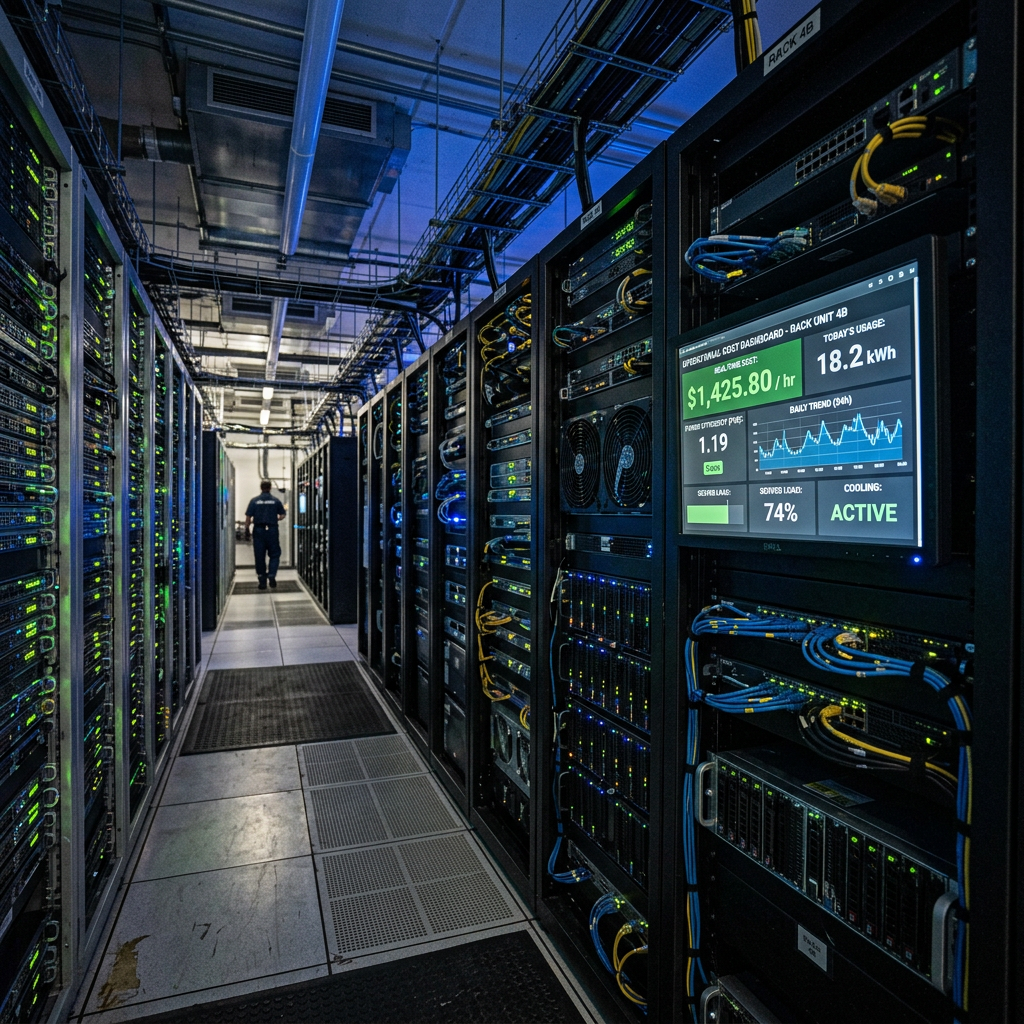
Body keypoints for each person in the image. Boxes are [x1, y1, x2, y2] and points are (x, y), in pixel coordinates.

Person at [244, 481, 286, 590]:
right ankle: (272, 575)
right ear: (270, 488)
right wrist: (274, 518)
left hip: (258, 530)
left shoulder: (254, 501)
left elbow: (248, 518)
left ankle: (262, 580)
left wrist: (247, 530)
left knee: (259, 555)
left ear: (261, 488)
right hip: (272, 529)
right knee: (274, 554)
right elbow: (282, 515)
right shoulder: (275, 501)